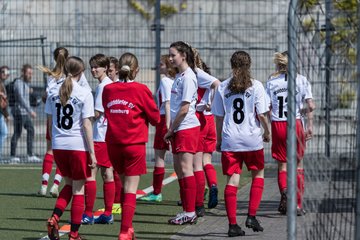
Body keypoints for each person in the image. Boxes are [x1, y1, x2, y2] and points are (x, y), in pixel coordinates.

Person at [212, 50, 271, 237]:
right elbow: (261, 114)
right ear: (249, 65)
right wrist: (267, 132)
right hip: (252, 138)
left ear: (232, 65)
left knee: (232, 180)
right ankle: (251, 216)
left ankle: (232, 225)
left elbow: (219, 117)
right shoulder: (256, 86)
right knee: (258, 174)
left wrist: (219, 140)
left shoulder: (223, 86)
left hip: (231, 139)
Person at [102, 52, 159, 239]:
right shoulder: (141, 89)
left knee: (125, 185)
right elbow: (156, 118)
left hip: (113, 144)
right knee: (131, 189)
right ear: (136, 70)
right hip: (134, 144)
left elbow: (107, 109)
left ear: (118, 69)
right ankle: (125, 231)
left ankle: (129, 228)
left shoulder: (108, 90)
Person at [45, 56, 96, 240]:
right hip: (77, 146)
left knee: (68, 185)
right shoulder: (84, 93)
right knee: (78, 190)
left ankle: (55, 217)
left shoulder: (52, 91)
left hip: (59, 145)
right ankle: (74, 234)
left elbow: (50, 122)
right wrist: (92, 153)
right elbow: (87, 125)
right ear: (80, 72)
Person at [265, 51, 315, 216]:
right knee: (298, 164)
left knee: (282, 165)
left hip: (278, 124)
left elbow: (267, 108)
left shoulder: (272, 82)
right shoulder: (301, 80)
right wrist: (310, 126)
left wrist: (266, 128)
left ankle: (285, 193)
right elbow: (311, 106)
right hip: (296, 123)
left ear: (279, 65)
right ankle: (298, 205)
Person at [164, 41, 200, 225]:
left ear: (183, 55)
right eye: (169, 55)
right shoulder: (179, 76)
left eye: (173, 55)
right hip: (179, 128)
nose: (170, 58)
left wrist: (171, 129)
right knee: (180, 170)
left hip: (186, 128)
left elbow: (185, 108)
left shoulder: (188, 77)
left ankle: (191, 211)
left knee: (186, 170)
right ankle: (186, 209)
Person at [81, 54, 115, 225]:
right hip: (109, 135)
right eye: (92, 67)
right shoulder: (111, 84)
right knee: (107, 174)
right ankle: (108, 213)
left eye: (97, 67)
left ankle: (87, 213)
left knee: (91, 173)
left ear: (105, 68)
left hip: (100, 136)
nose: (93, 70)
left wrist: (83, 118)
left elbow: (97, 113)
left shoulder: (103, 87)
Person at [141, 54, 176, 202]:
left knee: (159, 157)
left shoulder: (165, 81)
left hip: (165, 120)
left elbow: (167, 103)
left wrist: (167, 126)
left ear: (168, 66)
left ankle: (156, 192)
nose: (159, 67)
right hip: (171, 119)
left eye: (161, 64)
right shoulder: (174, 81)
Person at [192, 48, 220, 215]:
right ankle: (213, 185)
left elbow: (217, 84)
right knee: (206, 161)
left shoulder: (196, 73)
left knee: (196, 163)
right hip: (208, 120)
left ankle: (197, 200)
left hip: (201, 119)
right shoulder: (200, 73)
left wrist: (212, 103)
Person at [37, 47, 68, 197]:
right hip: (68, 120)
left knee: (50, 150)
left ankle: (43, 185)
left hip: (53, 118)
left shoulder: (51, 76)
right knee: (63, 153)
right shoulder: (72, 76)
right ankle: (55, 185)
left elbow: (46, 96)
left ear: (55, 58)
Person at [10, 64, 41, 163]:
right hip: (19, 112)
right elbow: (21, 99)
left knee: (30, 130)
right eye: (28, 73)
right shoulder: (18, 83)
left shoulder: (26, 84)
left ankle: (30, 154)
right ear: (23, 72)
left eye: (31, 73)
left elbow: (27, 99)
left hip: (24, 112)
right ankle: (13, 155)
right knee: (17, 133)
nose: (30, 75)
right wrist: (30, 111)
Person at [0, 66, 10, 159]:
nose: (5, 74)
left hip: (1, 112)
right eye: (3, 72)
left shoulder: (2, 84)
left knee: (3, 132)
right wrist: (7, 115)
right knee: (4, 132)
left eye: (6, 72)